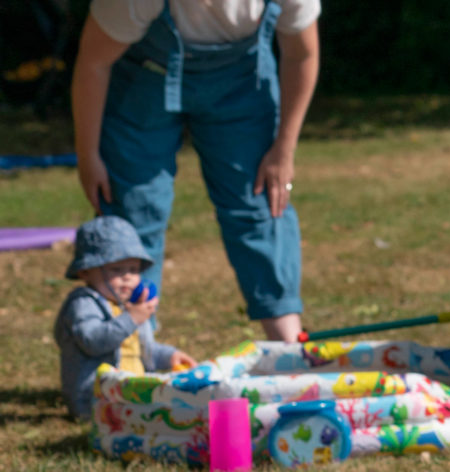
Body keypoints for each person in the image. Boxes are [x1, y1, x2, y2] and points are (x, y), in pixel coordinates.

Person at [70, 0, 321, 342]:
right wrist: (89, 155)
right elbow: (94, 63)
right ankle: (133, 347)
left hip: (243, 83)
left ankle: (288, 340)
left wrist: (283, 150)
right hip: (146, 80)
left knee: (260, 198)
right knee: (134, 207)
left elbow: (302, 55)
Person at [54, 216, 198, 420]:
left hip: (133, 393)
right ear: (85, 272)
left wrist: (169, 356)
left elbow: (141, 350)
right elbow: (93, 342)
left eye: (133, 269)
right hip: (97, 399)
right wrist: (131, 318)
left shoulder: (128, 306)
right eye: (116, 269)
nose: (127, 277)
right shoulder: (83, 304)